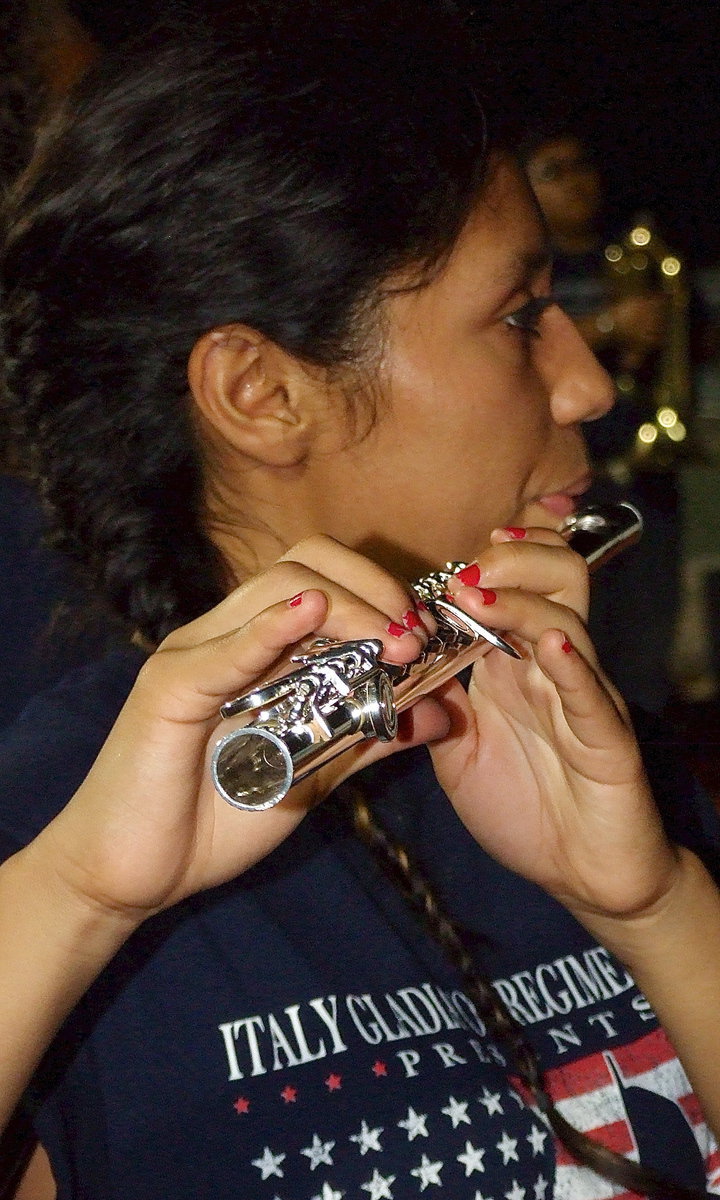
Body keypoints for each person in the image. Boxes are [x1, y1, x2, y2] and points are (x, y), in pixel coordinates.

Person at [1, 5, 720, 1198]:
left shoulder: (599, 763)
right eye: (518, 316)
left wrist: (655, 903)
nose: (587, 384)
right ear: (263, 393)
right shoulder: (54, 819)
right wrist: (73, 893)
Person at [523, 128, 683, 714]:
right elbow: (525, 337)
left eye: (582, 166)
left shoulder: (634, 254)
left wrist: (666, 332)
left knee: (648, 635)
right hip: (570, 475)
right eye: (553, 171)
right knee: (585, 632)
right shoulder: (530, 267)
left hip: (645, 464)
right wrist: (612, 327)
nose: (576, 183)